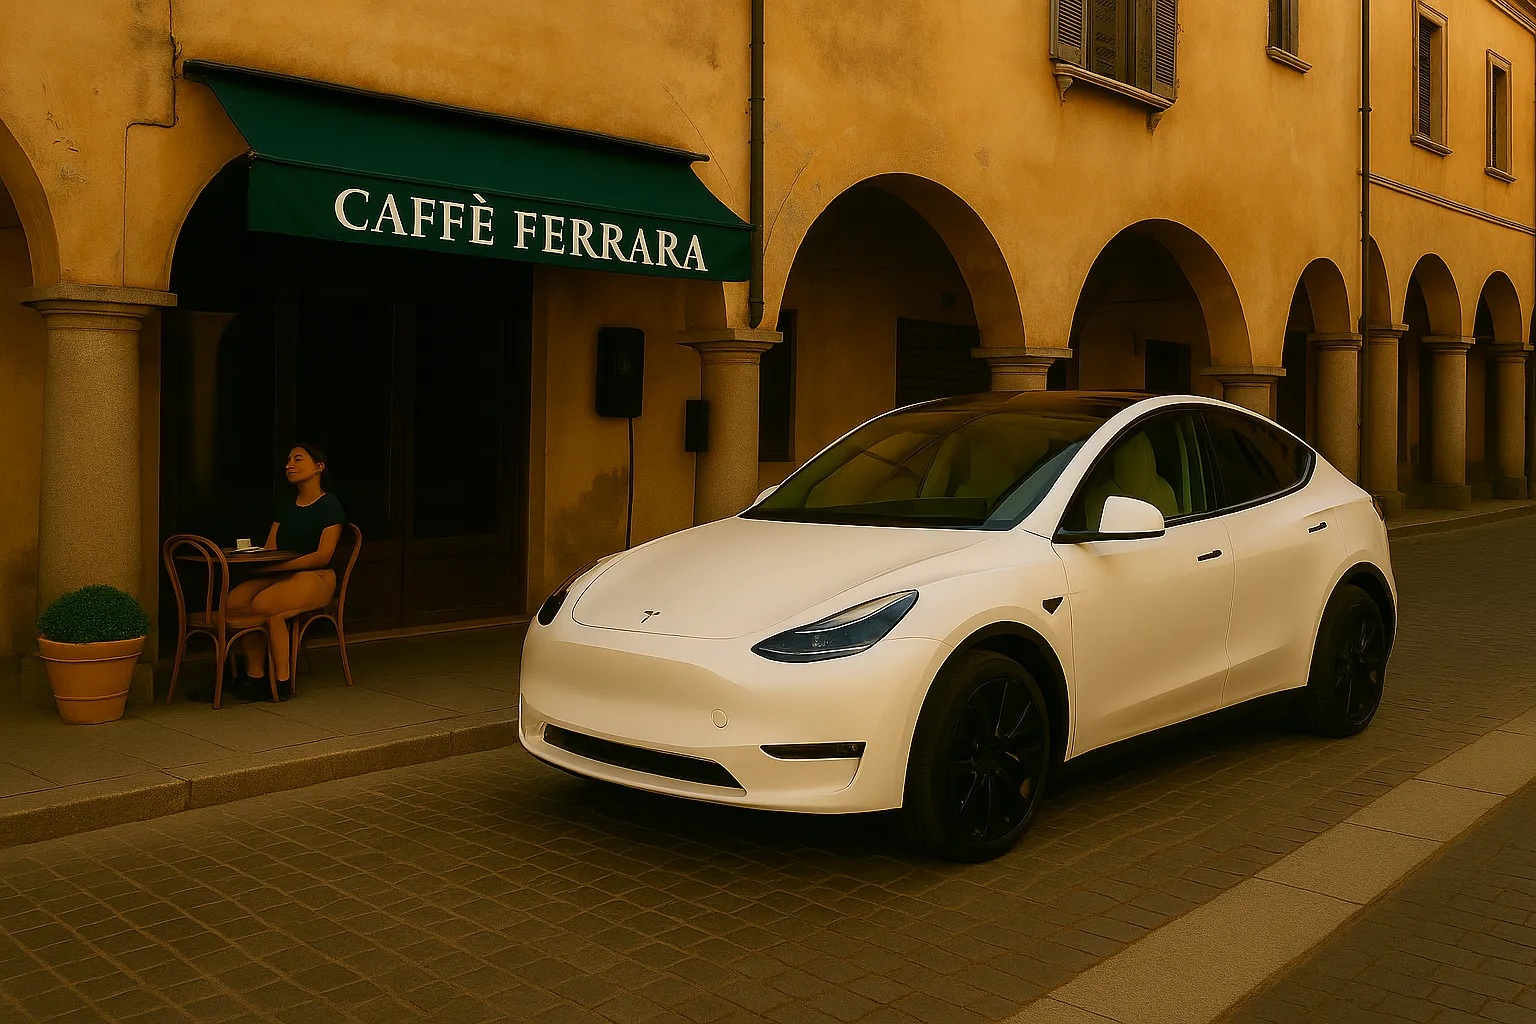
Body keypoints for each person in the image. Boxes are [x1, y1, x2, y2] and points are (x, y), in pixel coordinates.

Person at [225, 443, 345, 697]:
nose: (289, 465)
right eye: (288, 460)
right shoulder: (287, 506)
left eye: (298, 459)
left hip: (318, 576)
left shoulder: (329, 504)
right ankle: (254, 676)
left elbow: (323, 555)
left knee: (267, 604)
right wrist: (260, 561)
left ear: (319, 467)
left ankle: (282, 681)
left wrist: (285, 566)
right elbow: (271, 546)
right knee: (235, 601)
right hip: (282, 573)